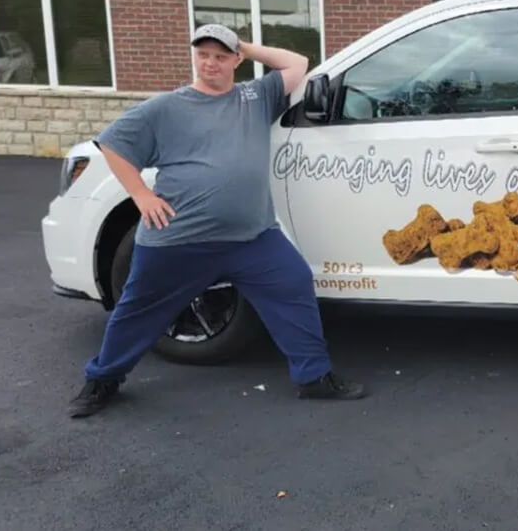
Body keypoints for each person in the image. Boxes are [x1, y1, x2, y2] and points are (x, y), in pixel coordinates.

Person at [68, 23, 365, 418]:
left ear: (236, 60)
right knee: (138, 310)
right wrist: (141, 195)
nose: (211, 62)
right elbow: (111, 145)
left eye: (221, 55)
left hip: (252, 238)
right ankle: (102, 380)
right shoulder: (165, 107)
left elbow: (297, 63)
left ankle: (313, 378)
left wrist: (239, 41)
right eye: (204, 54)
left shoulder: (254, 96)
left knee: (293, 284)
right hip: (179, 240)